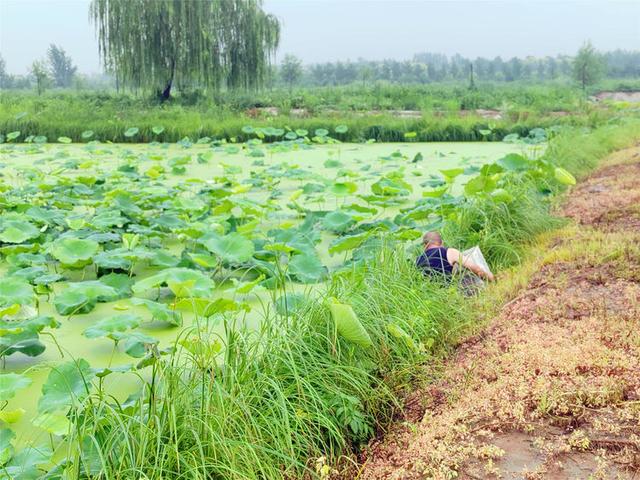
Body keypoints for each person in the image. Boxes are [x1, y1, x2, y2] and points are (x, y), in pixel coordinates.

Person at [416, 231, 495, 282]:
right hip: (452, 292)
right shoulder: (448, 252)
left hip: (434, 299)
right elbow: (475, 268)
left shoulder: (418, 260)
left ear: (425, 245)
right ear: (442, 243)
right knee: (465, 261)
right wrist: (491, 279)